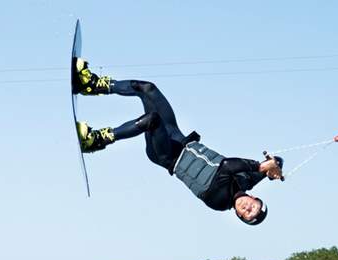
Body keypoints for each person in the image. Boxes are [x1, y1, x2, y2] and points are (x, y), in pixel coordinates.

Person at [73, 59, 283, 225]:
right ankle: (91, 84)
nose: (247, 208)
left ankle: (97, 140)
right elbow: (277, 161)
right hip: (178, 137)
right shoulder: (247, 181)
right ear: (255, 199)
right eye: (253, 207)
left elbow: (227, 166)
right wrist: (274, 169)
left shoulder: (219, 202)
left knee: (152, 121)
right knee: (147, 88)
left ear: (238, 215)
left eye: (246, 214)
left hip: (167, 155)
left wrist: (261, 166)